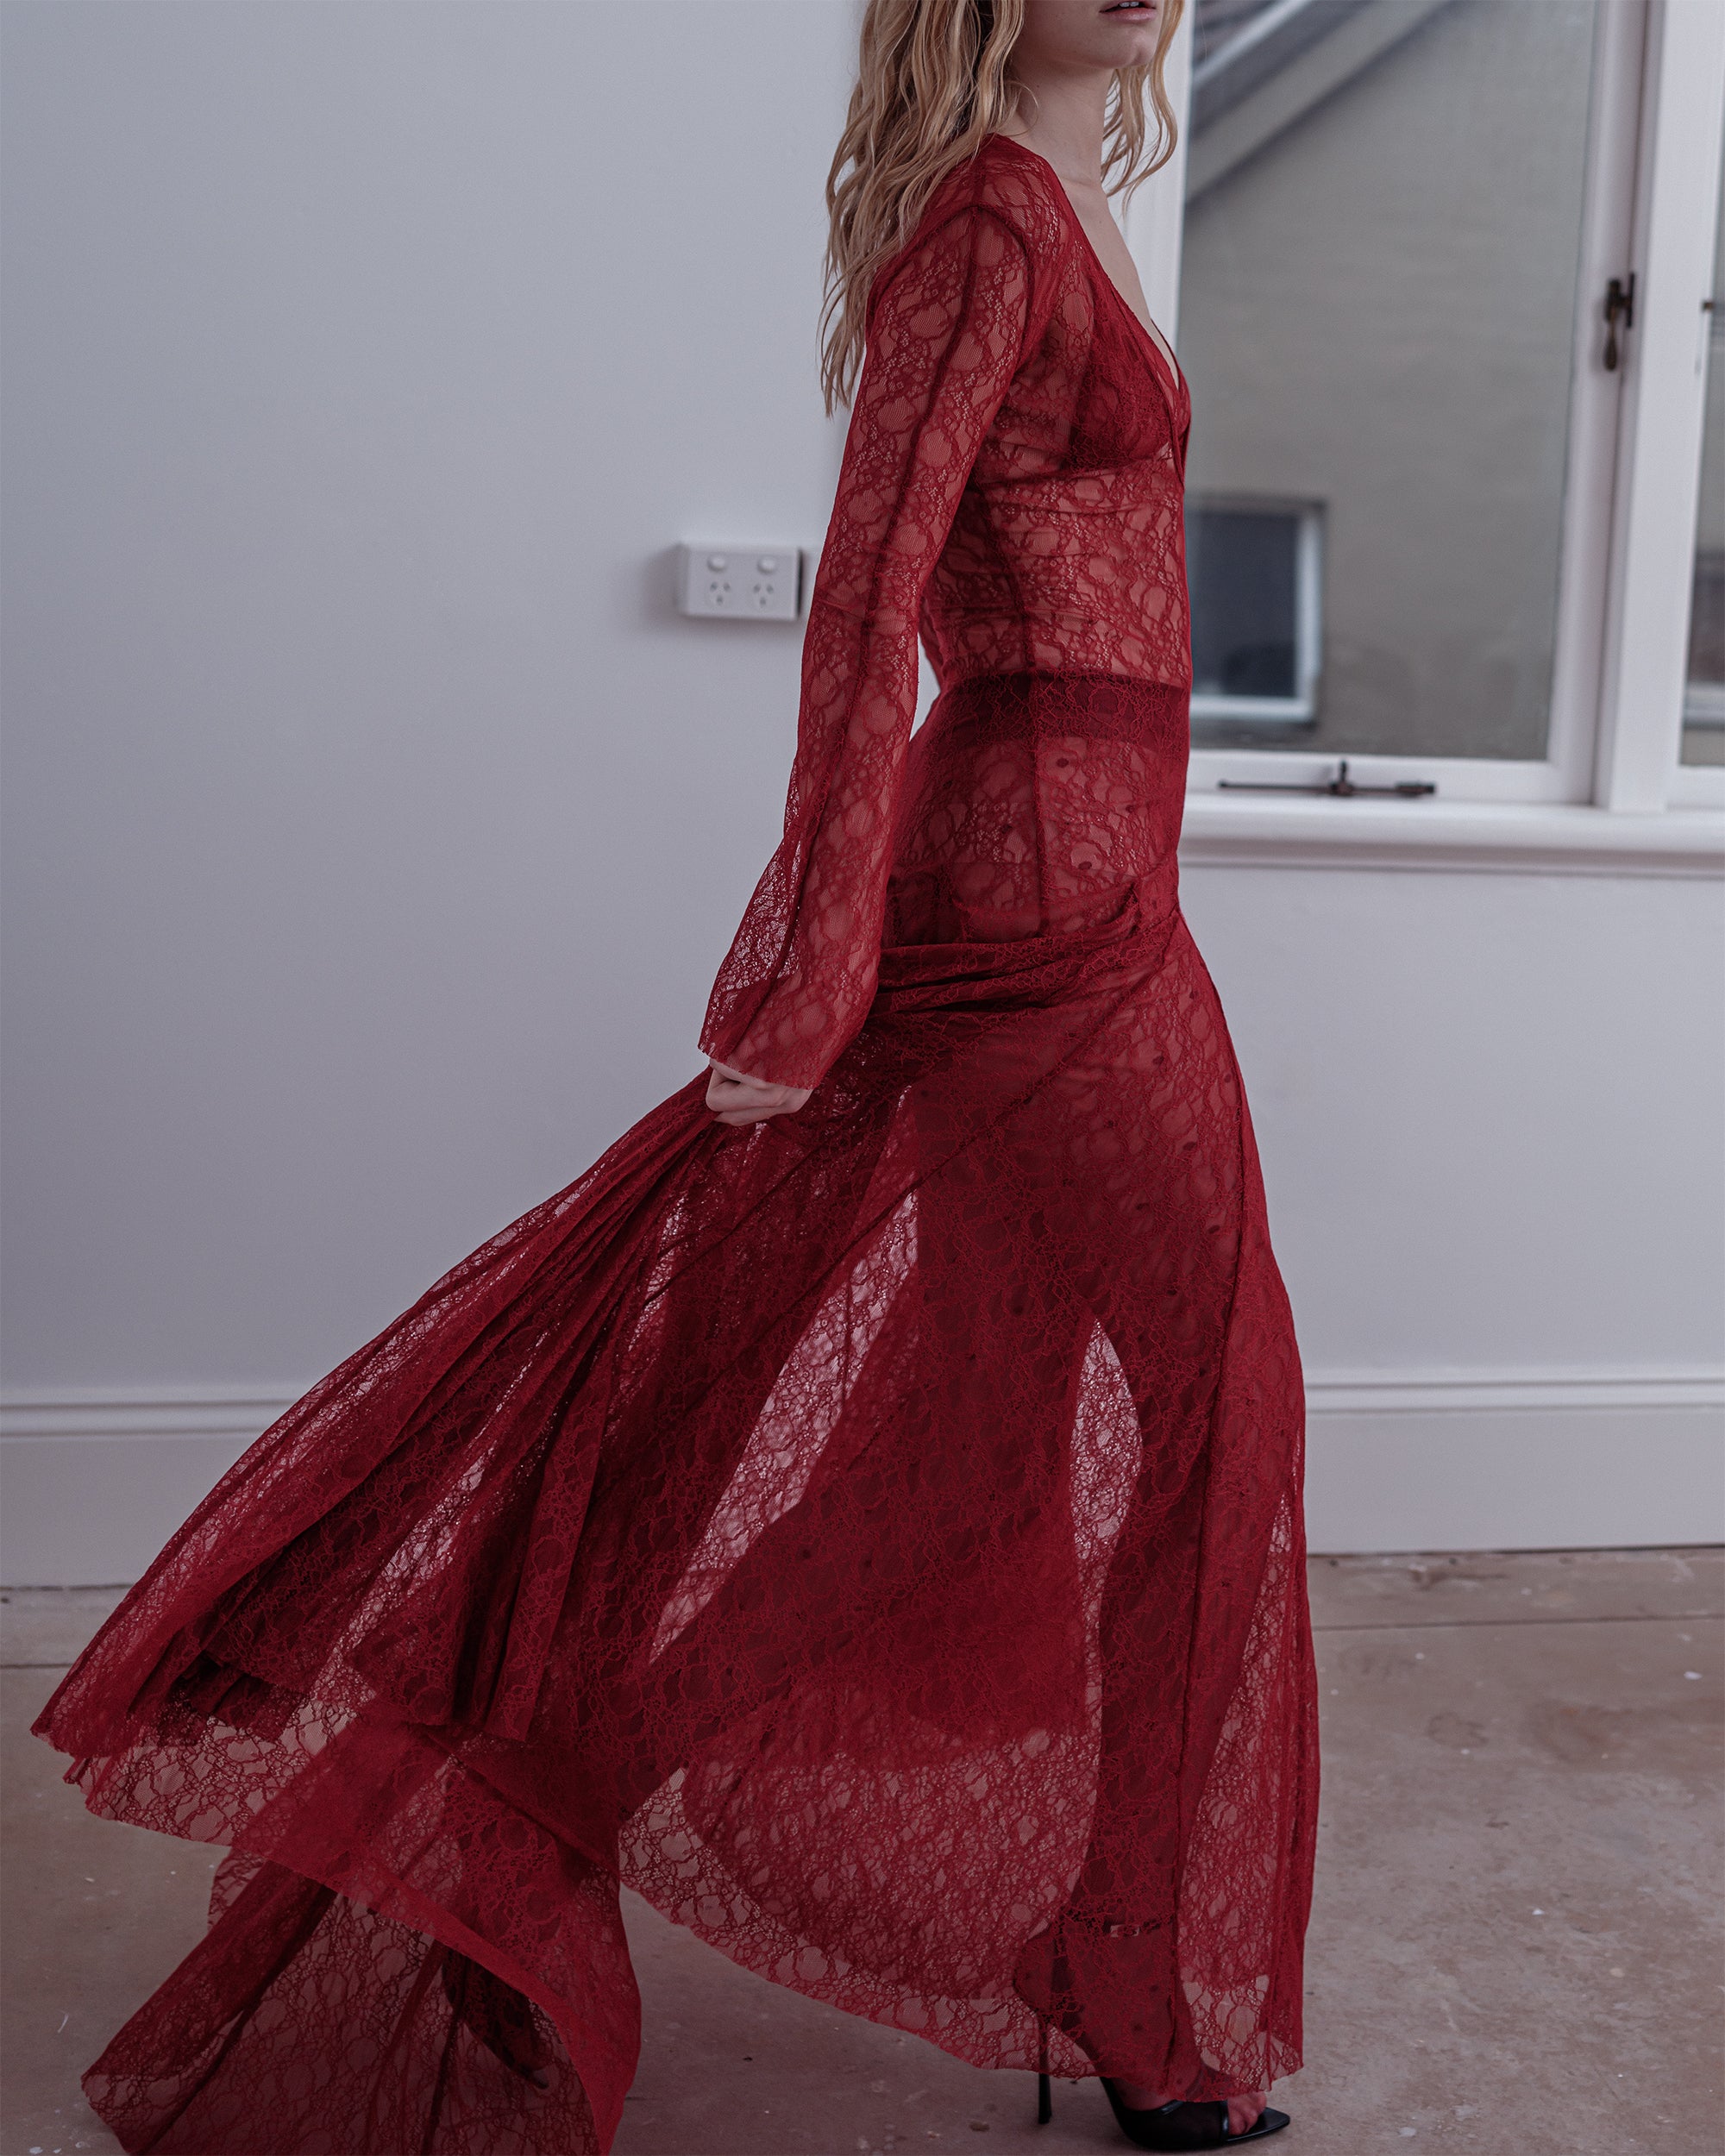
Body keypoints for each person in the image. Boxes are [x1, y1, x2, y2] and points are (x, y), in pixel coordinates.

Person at [35, 1, 1319, 2148]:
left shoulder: (1078, 203)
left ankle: (567, 1797)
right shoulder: (987, 223)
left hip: (1098, 896)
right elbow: (868, 610)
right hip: (1032, 921)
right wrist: (805, 977)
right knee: (1209, 1401)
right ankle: (1133, 2010)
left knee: (982, 1435)